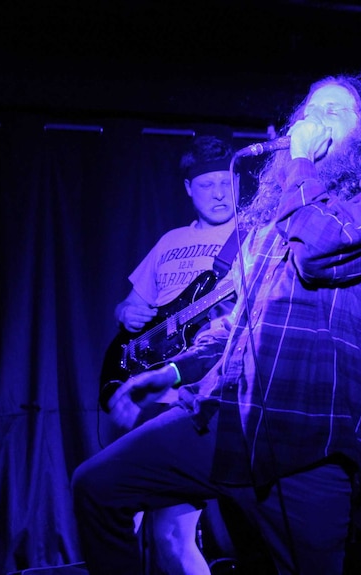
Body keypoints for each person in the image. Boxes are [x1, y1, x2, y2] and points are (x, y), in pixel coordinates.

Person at [73, 72, 361, 575]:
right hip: (226, 419)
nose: (313, 121)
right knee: (97, 487)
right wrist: (172, 372)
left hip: (308, 440)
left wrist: (300, 162)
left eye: (333, 112)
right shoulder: (270, 218)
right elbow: (236, 324)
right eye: (309, 111)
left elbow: (317, 249)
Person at [105, 133, 240, 575]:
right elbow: (127, 306)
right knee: (138, 525)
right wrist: (128, 311)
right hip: (146, 393)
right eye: (207, 184)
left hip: (196, 395)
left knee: (173, 533)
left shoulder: (251, 239)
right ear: (188, 188)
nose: (219, 192)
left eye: (226, 181)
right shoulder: (170, 241)